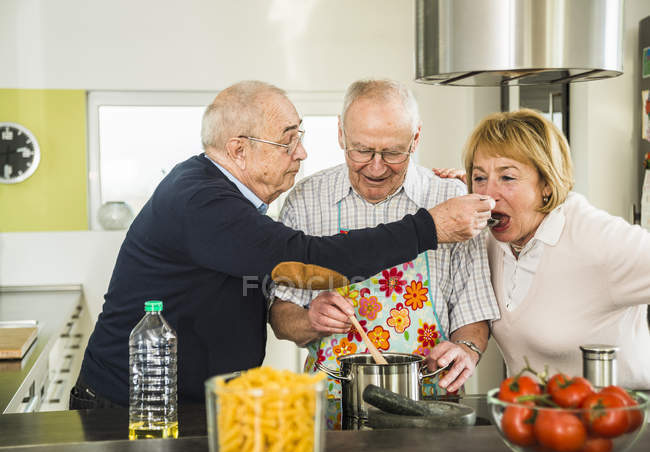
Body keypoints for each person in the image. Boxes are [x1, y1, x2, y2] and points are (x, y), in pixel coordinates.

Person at [70, 80, 495, 409]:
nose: (303, 152)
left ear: (415, 141)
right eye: (288, 140)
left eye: (300, 135)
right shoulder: (202, 201)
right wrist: (427, 228)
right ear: (239, 149)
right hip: (137, 404)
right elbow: (308, 262)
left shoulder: (227, 195)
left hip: (189, 400)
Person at [269, 79, 500, 428]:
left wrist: (465, 349)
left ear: (416, 138)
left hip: (429, 405)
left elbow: (474, 308)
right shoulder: (306, 200)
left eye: (393, 153)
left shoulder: (449, 199)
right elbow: (281, 315)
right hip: (331, 407)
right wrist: (308, 320)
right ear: (341, 134)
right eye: (361, 150)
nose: (376, 168)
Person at [456, 108, 650, 388]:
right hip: (540, 420)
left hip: (622, 422)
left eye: (507, 178)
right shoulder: (490, 242)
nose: (488, 196)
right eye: (480, 178)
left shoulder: (595, 237)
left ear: (546, 184)